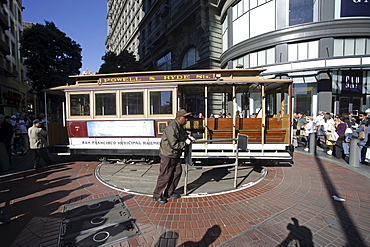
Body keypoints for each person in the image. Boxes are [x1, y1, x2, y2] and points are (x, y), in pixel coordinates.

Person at [153, 109, 193, 204]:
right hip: (168, 155)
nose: (186, 119)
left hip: (175, 155)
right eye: (185, 117)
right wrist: (185, 143)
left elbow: (181, 136)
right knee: (165, 175)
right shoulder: (172, 128)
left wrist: (187, 136)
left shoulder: (179, 126)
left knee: (177, 172)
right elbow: (174, 145)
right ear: (179, 118)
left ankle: (169, 193)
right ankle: (157, 195)